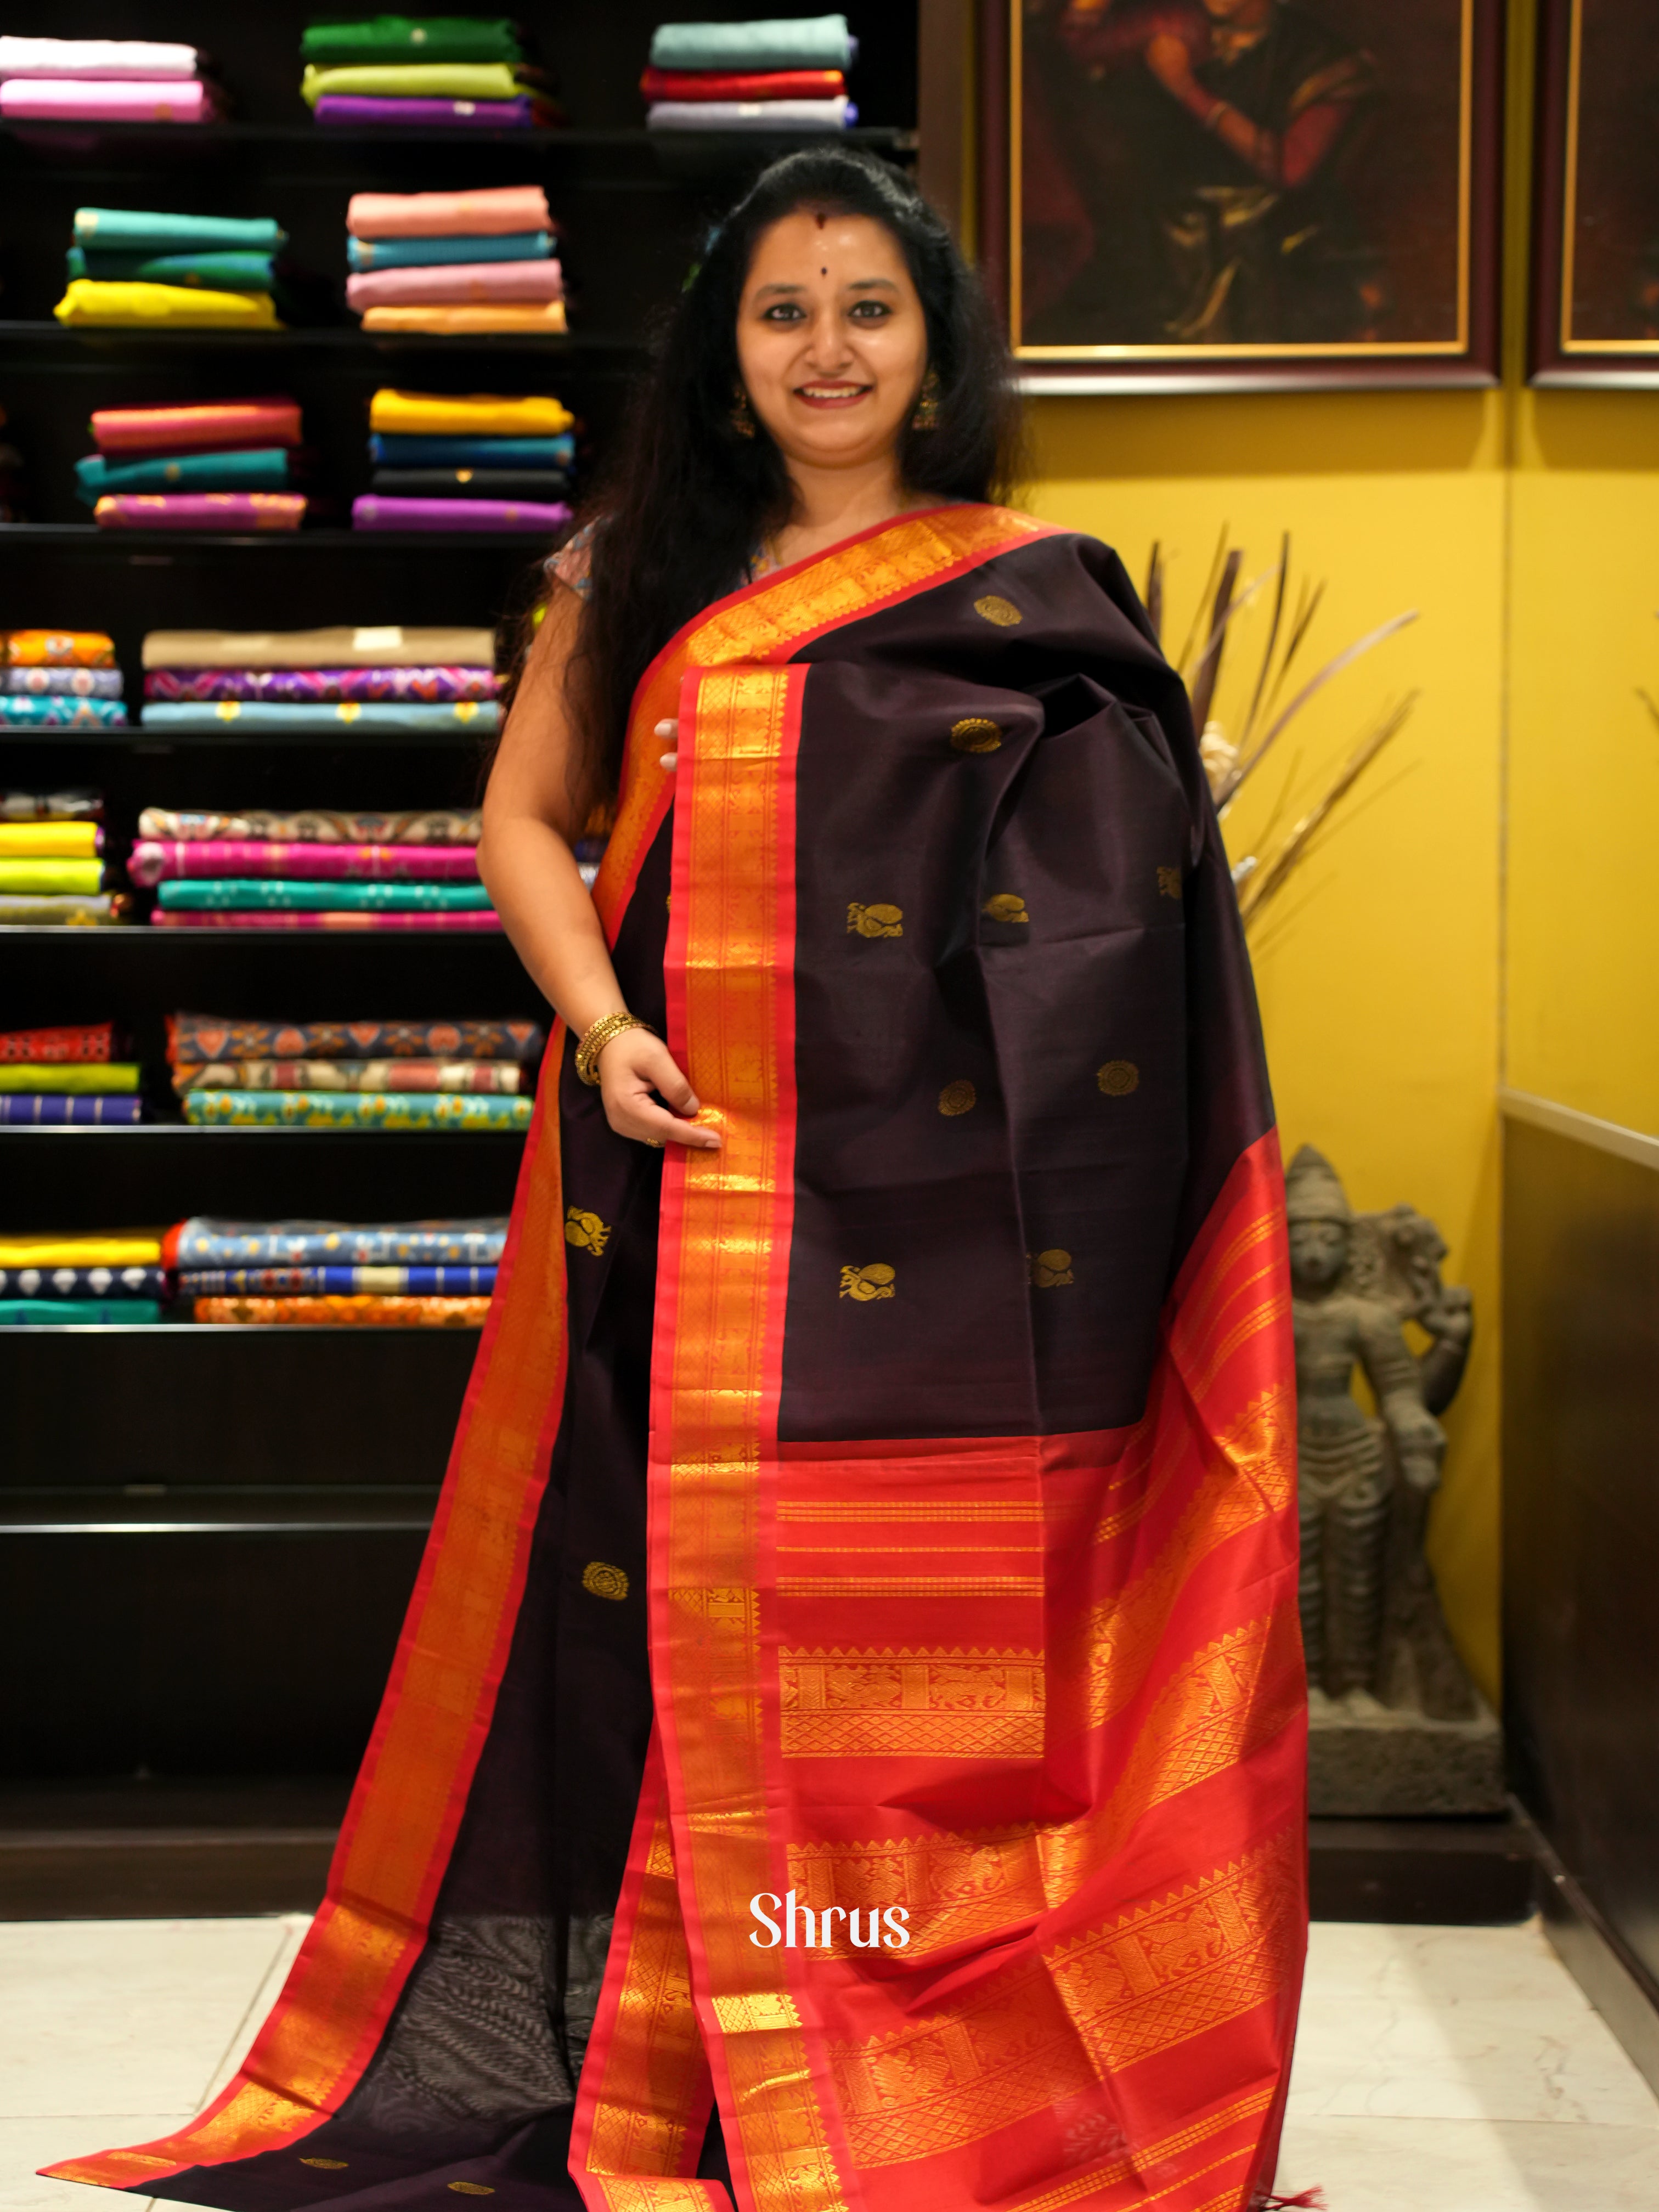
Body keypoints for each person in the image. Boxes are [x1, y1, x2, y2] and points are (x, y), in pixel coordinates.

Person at [52, 150, 1308, 2212]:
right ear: (725, 359)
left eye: (867, 308)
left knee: (930, 1652)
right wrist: (598, 1024)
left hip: (955, 1235)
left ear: (932, 346)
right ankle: (699, 2073)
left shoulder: (1030, 578)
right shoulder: (628, 572)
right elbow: (522, 826)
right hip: (692, 1184)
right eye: (781, 311)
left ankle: (921, 2056)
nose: (826, 349)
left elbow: (1126, 906)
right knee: (684, 1629)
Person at [1030, 0, 1379, 346]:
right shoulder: (1170, 30)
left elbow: (1290, 167)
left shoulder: (1321, 57)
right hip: (1158, 246)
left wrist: (1187, 90)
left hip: (1269, 253)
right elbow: (1072, 51)